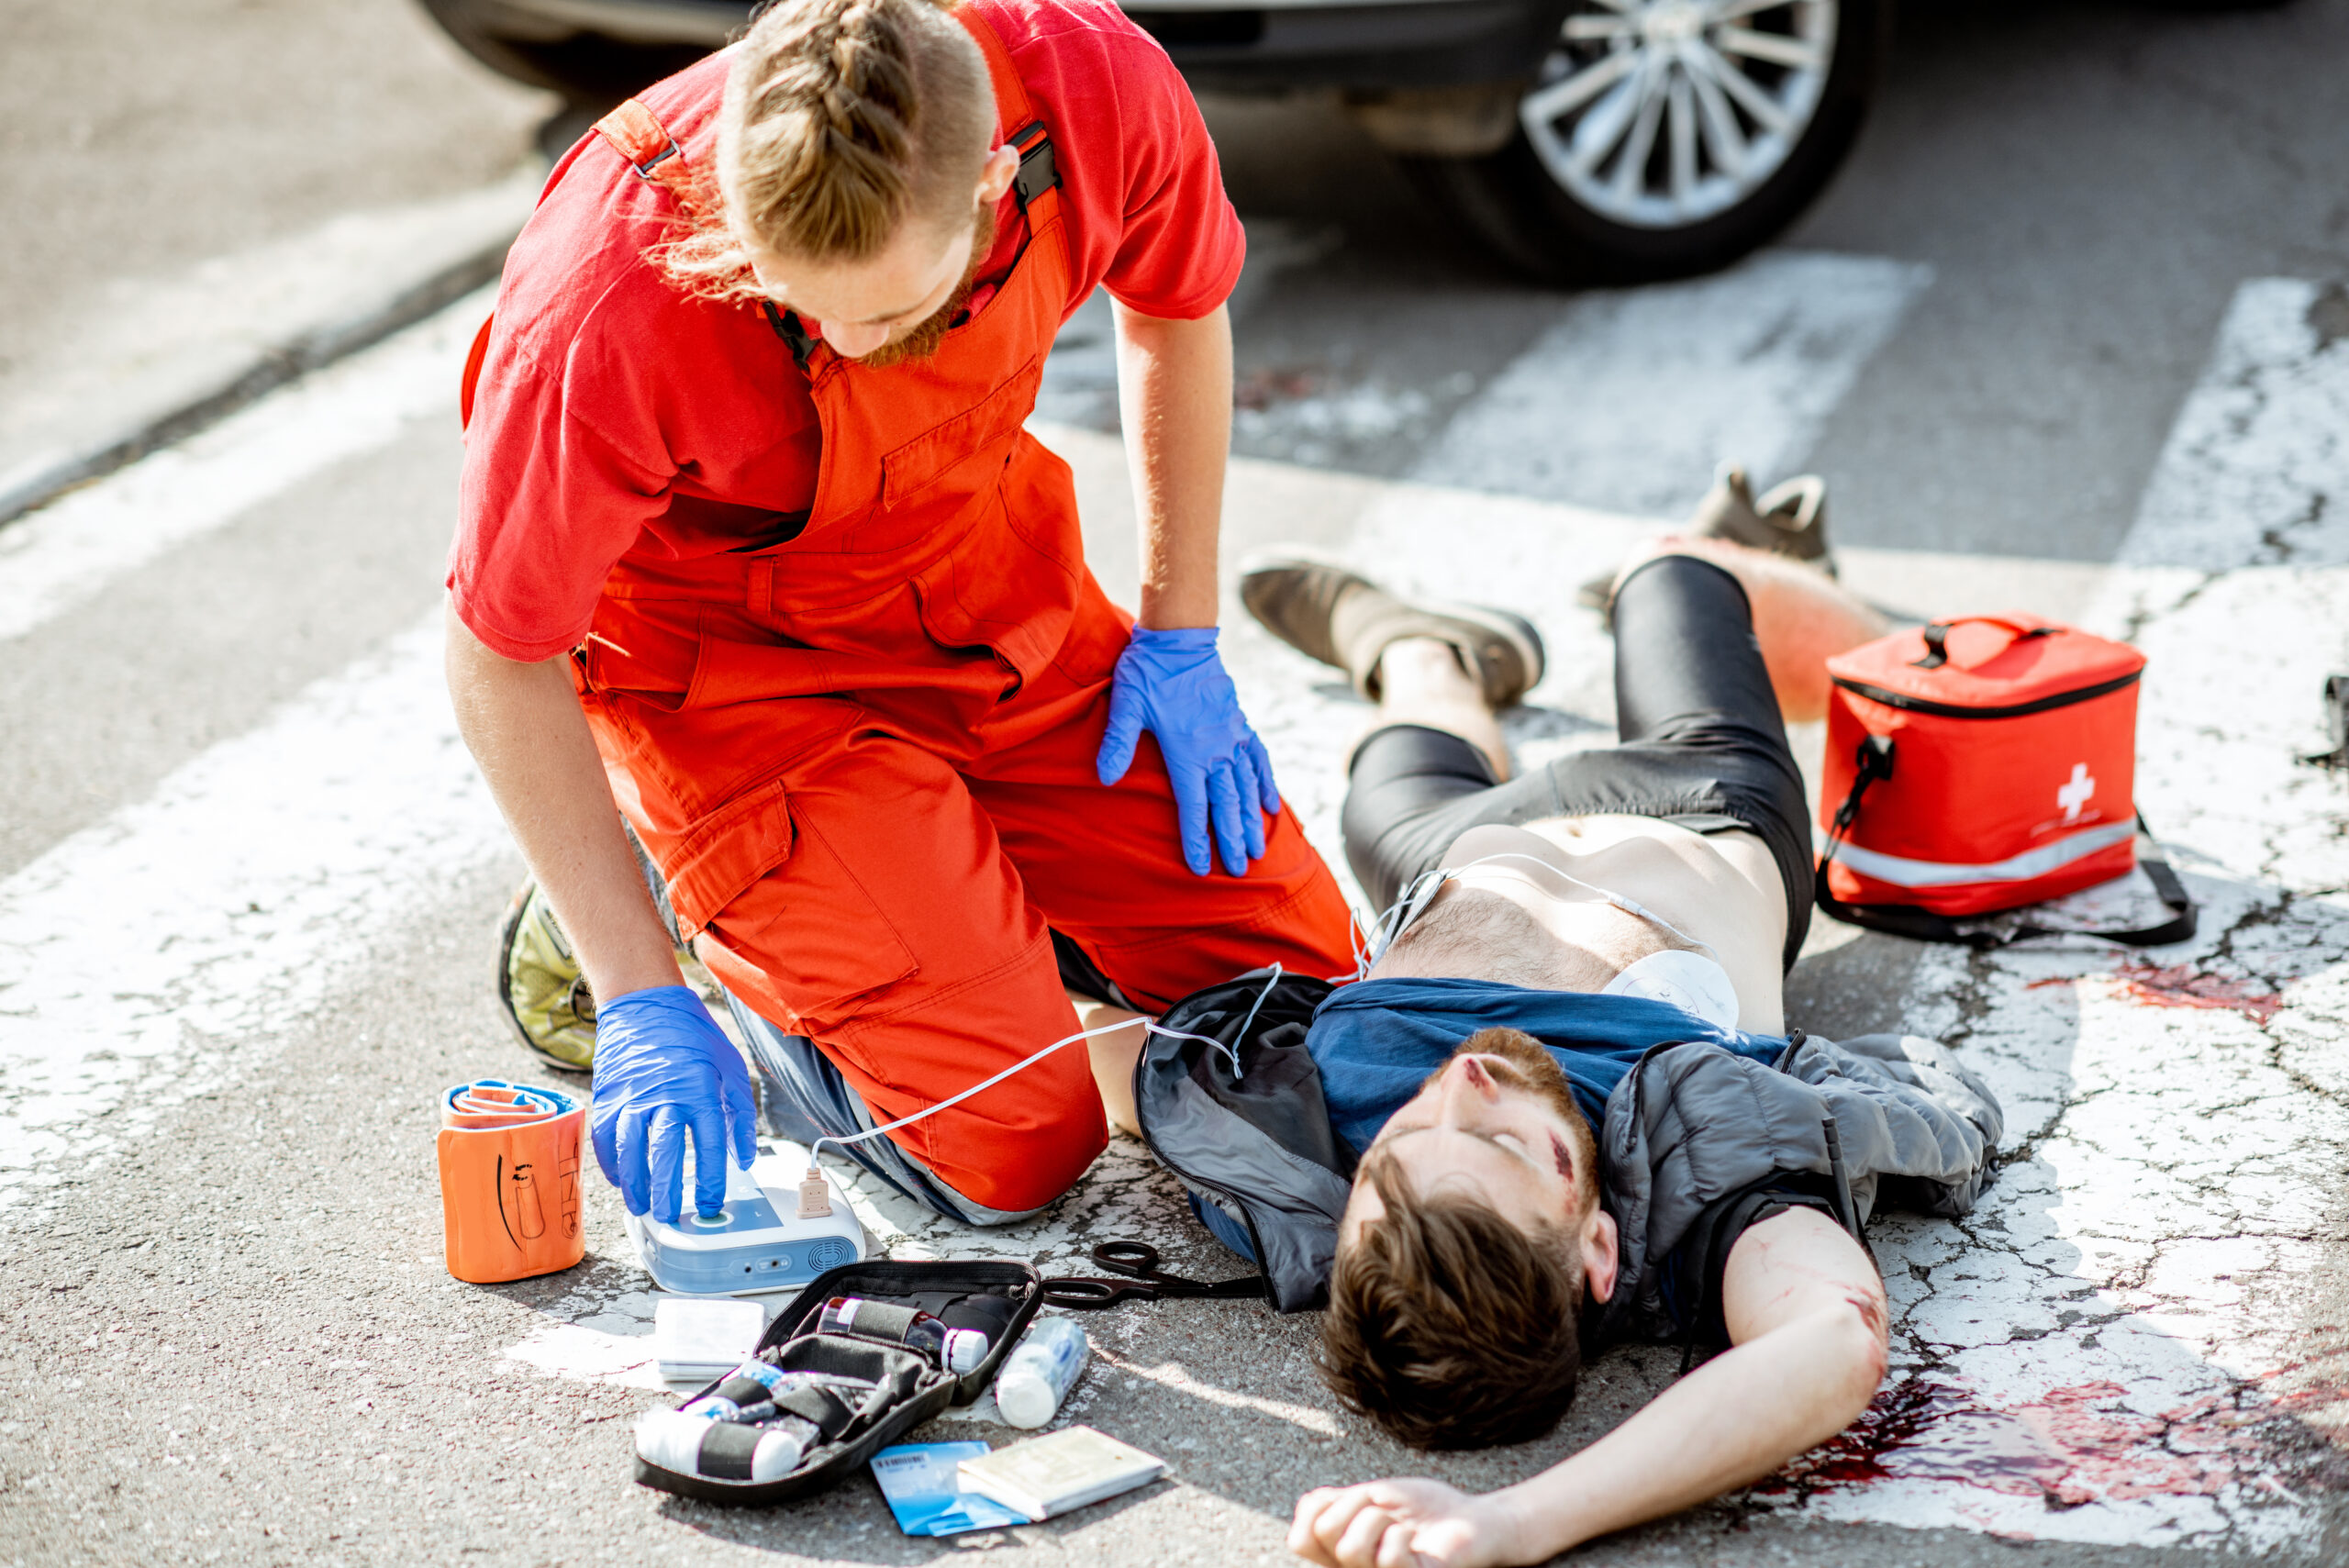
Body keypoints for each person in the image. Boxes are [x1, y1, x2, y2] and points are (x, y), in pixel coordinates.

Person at [445, 0, 1355, 1229]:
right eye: (802, 300)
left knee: (1311, 1014)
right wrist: (636, 997)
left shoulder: (1096, 91)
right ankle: (681, 902)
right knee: (1016, 1144)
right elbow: (499, 651)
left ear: (990, 188)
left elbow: (1179, 302)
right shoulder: (608, 290)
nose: (847, 339)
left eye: (883, 310)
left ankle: (947, 917)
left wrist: (1177, 635)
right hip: (735, 687)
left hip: (987, 595)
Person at [1232, 532, 2002, 1566]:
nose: (1463, 1082)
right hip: (1694, 794)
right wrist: (1514, 1519)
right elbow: (1830, 1344)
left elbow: (1100, 1061)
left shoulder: (1293, 1160)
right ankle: (1949, 675)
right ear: (1597, 1249)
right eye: (1507, 1146)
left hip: (1445, 840)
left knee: (1407, 724)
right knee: (1677, 571)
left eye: (1401, 1139)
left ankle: (1418, 645)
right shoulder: (1704, 1178)